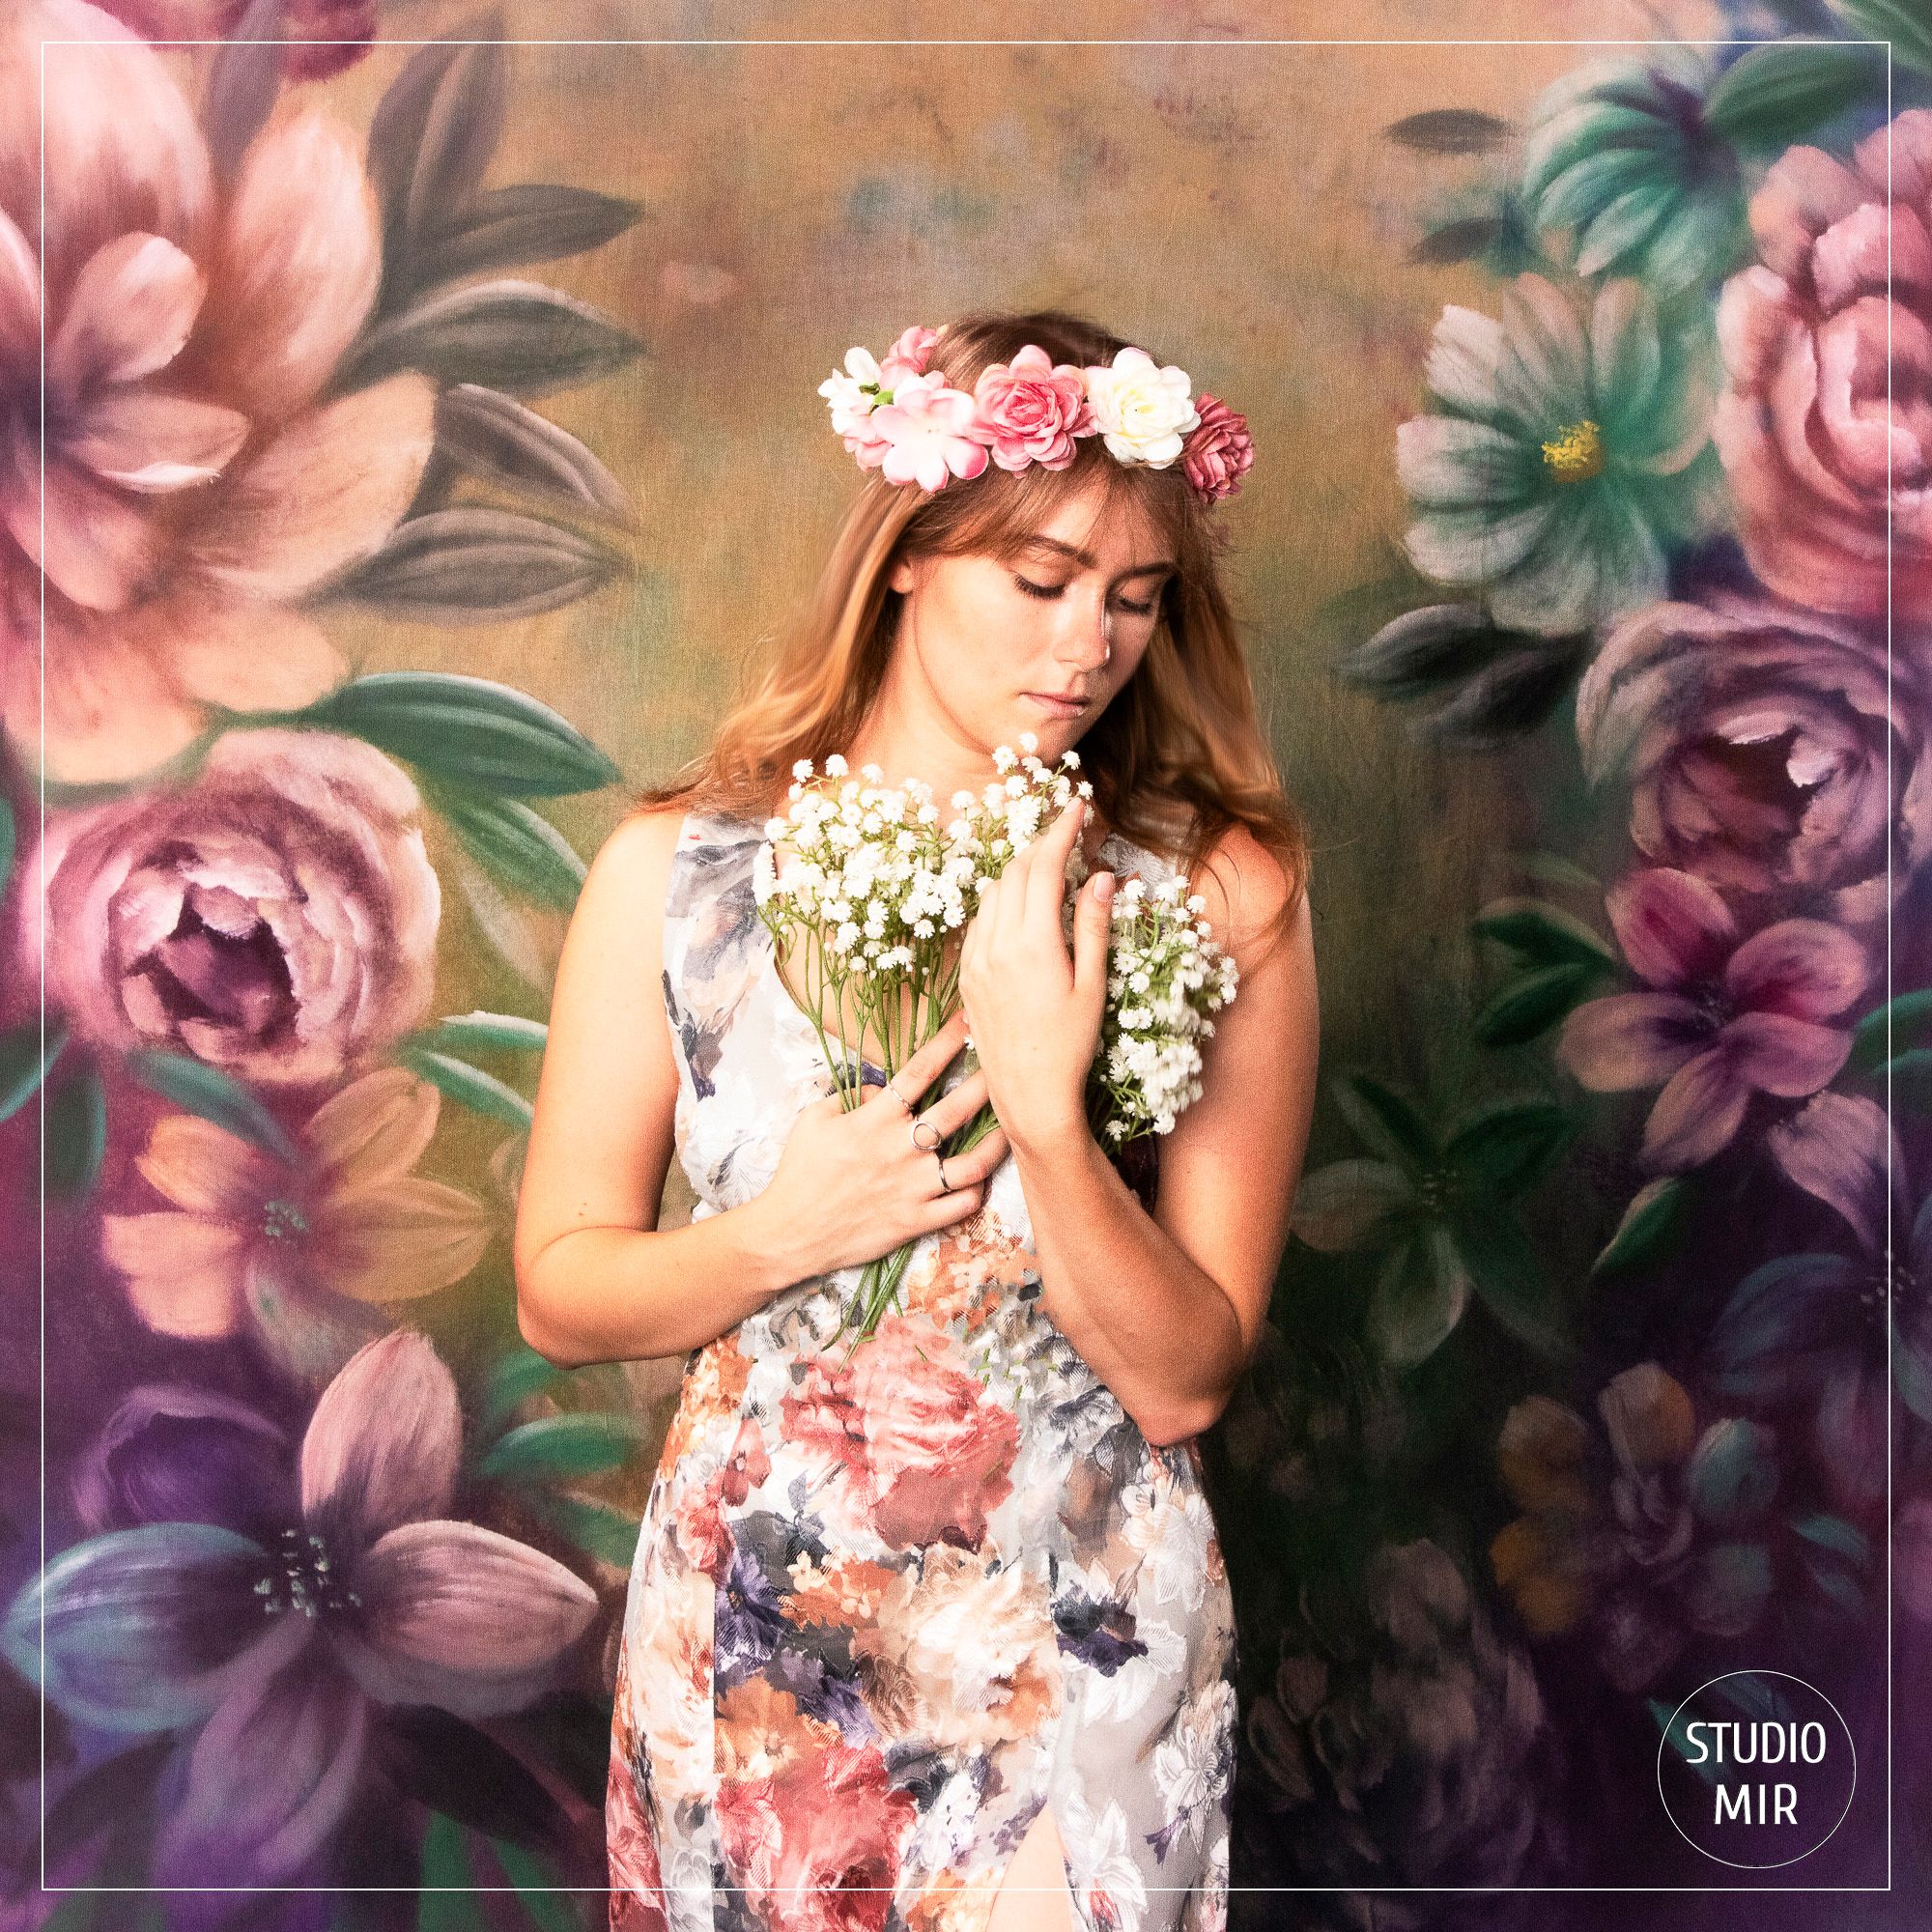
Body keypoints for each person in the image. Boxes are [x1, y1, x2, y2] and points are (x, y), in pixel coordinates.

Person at [514, 308, 1319, 1932]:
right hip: (764, 1643)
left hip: (1074, 1636)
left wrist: (1047, 1109)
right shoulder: (672, 877)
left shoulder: (1222, 889)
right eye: (1038, 583)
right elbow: (558, 1287)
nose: (1087, 645)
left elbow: (1184, 1378)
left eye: (1132, 600)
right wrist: (776, 1239)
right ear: (903, 554)